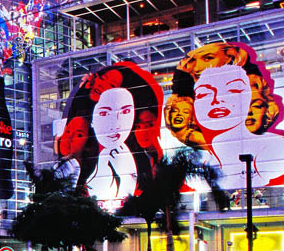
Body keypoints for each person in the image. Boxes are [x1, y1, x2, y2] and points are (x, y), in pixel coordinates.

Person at [167, 41, 284, 188]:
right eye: (205, 93)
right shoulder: (198, 166)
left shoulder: (276, 149)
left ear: (252, 95)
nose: (218, 100)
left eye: (233, 89)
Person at [57, 61, 162, 206]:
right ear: (92, 119)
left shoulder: (137, 160)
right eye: (104, 113)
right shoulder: (77, 165)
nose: (115, 123)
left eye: (125, 112)